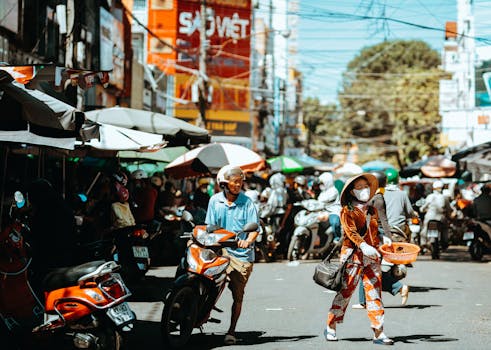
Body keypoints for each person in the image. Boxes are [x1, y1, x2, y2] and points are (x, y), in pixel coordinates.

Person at [325, 173, 394, 345]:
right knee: (346, 292)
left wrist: (383, 239)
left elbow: (375, 229)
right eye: (359, 187)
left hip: (372, 257)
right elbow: (351, 232)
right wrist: (363, 245)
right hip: (352, 256)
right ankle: (331, 325)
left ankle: (379, 332)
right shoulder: (347, 211)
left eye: (366, 186)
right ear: (351, 192)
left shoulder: (372, 209)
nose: (364, 190)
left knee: (374, 294)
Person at [205, 165, 259, 345]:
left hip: (241, 254)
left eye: (240, 182)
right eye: (234, 182)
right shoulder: (214, 200)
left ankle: (231, 330)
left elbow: (254, 229)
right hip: (219, 249)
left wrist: (248, 241)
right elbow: (209, 226)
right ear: (224, 184)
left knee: (237, 295)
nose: (238, 185)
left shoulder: (247, 202)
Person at [352, 171, 409, 309]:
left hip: (374, 239)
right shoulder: (374, 197)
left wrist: (387, 238)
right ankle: (366, 300)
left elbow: (382, 220)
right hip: (370, 237)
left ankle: (397, 287)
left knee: (367, 269)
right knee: (367, 270)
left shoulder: (377, 198)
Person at [26, 179, 78, 296]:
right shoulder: (59, 204)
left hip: (52, 259)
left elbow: (39, 235)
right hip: (66, 256)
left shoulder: (46, 210)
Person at [278, 175, 312, 255]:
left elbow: (289, 208)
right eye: (299, 185)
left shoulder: (302, 194)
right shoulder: (292, 193)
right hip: (295, 217)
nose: (300, 187)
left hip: (297, 218)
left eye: (301, 185)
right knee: (288, 234)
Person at [383, 168, 418, 242]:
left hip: (383, 228)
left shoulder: (380, 194)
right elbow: (409, 212)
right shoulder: (402, 194)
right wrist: (414, 215)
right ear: (397, 180)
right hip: (399, 228)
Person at [419, 180, 452, 248]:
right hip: (440, 217)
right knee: (445, 228)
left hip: (429, 217)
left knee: (424, 228)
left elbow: (422, 208)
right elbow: (449, 209)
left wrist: (423, 210)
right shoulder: (444, 197)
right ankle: (445, 241)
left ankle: (423, 242)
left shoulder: (429, 197)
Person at [317, 172, 342, 242]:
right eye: (320, 183)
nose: (321, 185)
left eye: (322, 183)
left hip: (333, 211)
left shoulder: (333, 191)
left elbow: (322, 200)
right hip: (323, 211)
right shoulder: (322, 192)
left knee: (335, 222)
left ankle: (337, 238)